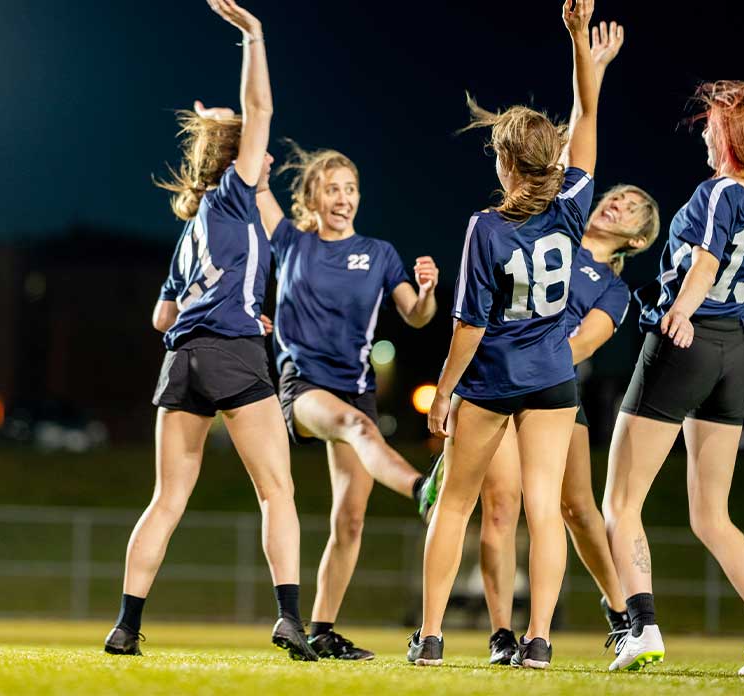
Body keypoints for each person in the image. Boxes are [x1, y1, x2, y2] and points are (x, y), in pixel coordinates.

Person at [603, 0, 744, 675]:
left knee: (620, 501)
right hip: (735, 354)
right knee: (710, 515)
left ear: (731, 137)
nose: (705, 133)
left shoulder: (724, 191)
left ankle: (640, 628)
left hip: (692, 340)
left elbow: (703, 261)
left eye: (714, 125)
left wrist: (682, 311)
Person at [103, 0, 317, 661]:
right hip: (230, 353)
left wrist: (226, 301)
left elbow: (161, 317)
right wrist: (253, 37)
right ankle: (289, 618)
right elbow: (264, 111)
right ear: (240, 157)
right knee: (276, 490)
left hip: (181, 359)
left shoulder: (192, 228)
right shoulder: (233, 192)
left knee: (167, 498)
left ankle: (126, 626)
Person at [407, 0, 602, 670]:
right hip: (552, 377)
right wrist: (579, 43)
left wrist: (443, 394)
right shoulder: (574, 204)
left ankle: (430, 637)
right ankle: (539, 640)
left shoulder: (486, 226)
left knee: (454, 506)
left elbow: (469, 326)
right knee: (544, 510)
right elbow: (588, 119)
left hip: (493, 380)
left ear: (506, 162)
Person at [466, 22, 660, 665]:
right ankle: (503, 632)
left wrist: (530, 358)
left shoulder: (611, 288)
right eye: (619, 195)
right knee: (502, 505)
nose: (619, 203)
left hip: (548, 387)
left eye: (633, 209)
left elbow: (581, 347)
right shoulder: (557, 223)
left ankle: (622, 612)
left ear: (637, 240)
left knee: (574, 506)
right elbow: (574, 133)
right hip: (503, 379)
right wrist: (587, 60)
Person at [252, 141, 439, 660]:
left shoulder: (379, 254)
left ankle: (321, 630)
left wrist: (426, 293)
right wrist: (255, 163)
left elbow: (416, 316)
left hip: (355, 388)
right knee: (359, 428)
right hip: (304, 387)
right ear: (312, 197)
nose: (343, 198)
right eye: (332, 189)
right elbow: (257, 187)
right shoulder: (290, 240)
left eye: (350, 189)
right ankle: (425, 490)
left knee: (350, 520)